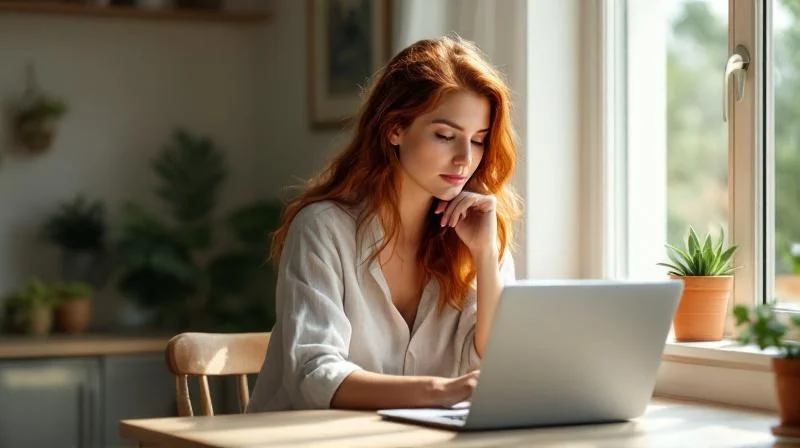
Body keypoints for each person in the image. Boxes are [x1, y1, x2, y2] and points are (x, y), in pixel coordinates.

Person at [247, 35, 521, 412]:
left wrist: (486, 256)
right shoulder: (323, 229)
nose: (464, 158)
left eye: (478, 140)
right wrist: (440, 391)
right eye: (445, 136)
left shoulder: (480, 230)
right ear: (395, 129)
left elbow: (494, 363)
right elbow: (314, 373)